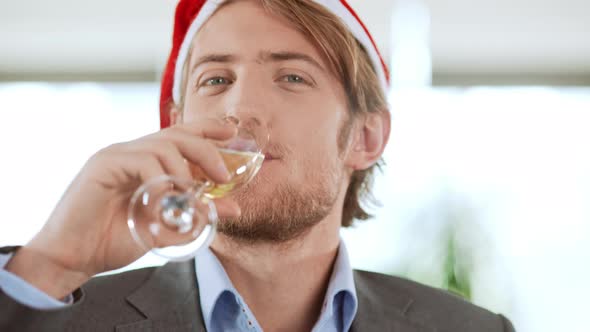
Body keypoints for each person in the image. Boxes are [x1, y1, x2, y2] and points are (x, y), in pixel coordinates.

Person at [0, 0, 515, 331]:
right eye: (215, 80)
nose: (239, 108)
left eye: (291, 77)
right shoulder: (60, 314)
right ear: (176, 124)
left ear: (365, 136)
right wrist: (51, 264)